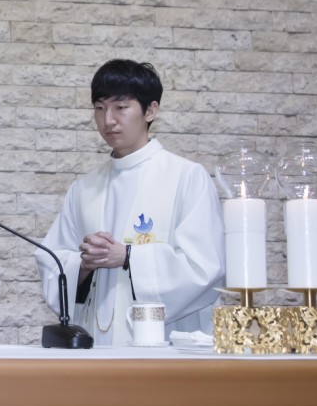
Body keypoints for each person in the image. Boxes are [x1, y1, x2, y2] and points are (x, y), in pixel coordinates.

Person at [38, 59, 224, 345]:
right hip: (97, 343)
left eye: (121, 107)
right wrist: (84, 264)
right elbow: (54, 262)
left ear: (150, 110)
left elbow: (205, 268)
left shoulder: (186, 177)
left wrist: (127, 256)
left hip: (165, 347)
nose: (108, 120)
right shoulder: (83, 188)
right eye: (100, 108)